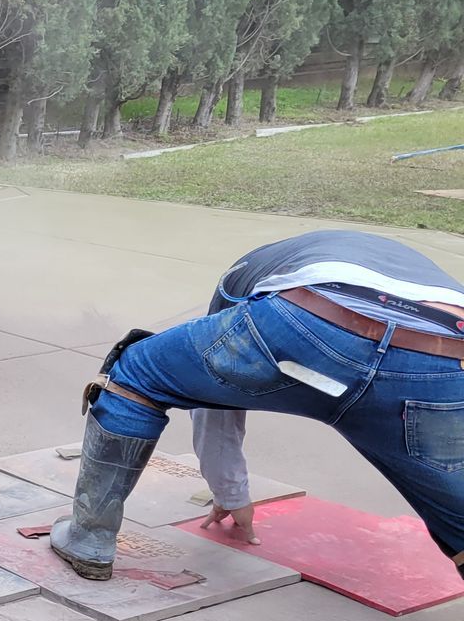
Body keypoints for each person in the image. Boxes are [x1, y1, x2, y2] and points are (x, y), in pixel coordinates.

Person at [52, 229, 464, 581]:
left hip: (310, 320)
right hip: (444, 365)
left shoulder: (246, 271)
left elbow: (215, 395)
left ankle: (89, 539)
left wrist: (230, 492)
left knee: (136, 375)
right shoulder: (427, 276)